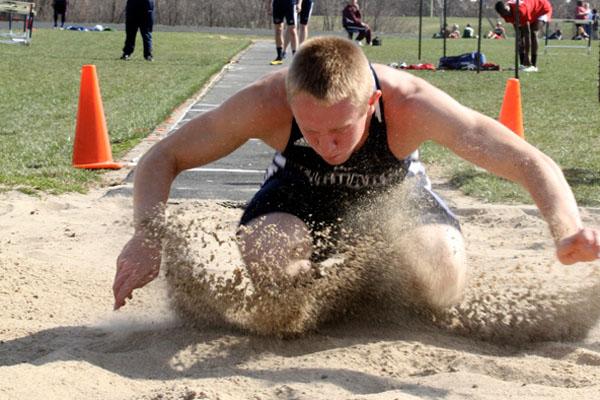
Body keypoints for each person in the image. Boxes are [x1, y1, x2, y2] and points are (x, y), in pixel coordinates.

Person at [113, 36, 600, 317]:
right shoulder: (266, 103)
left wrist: (567, 231)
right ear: (290, 105)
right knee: (268, 259)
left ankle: (377, 284)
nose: (327, 145)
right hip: (296, 198)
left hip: (393, 201)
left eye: (341, 130)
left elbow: (527, 161)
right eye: (311, 129)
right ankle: (320, 303)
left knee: (442, 271)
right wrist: (145, 237)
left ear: (372, 103)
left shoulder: (411, 104)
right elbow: (164, 157)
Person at [495, 0, 553, 72]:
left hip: (542, 8)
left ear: (507, 6)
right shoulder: (505, 14)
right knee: (520, 35)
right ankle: (522, 64)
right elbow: (518, 32)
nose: (507, 13)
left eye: (506, 10)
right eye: (503, 13)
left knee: (533, 32)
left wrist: (526, 55)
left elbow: (527, 33)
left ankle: (533, 65)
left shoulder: (519, 10)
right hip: (531, 11)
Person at [271, 0, 300, 65]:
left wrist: (299, 3)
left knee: (292, 30)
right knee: (278, 30)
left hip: (290, 4)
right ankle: (279, 57)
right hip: (277, 4)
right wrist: (268, 4)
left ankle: (295, 57)